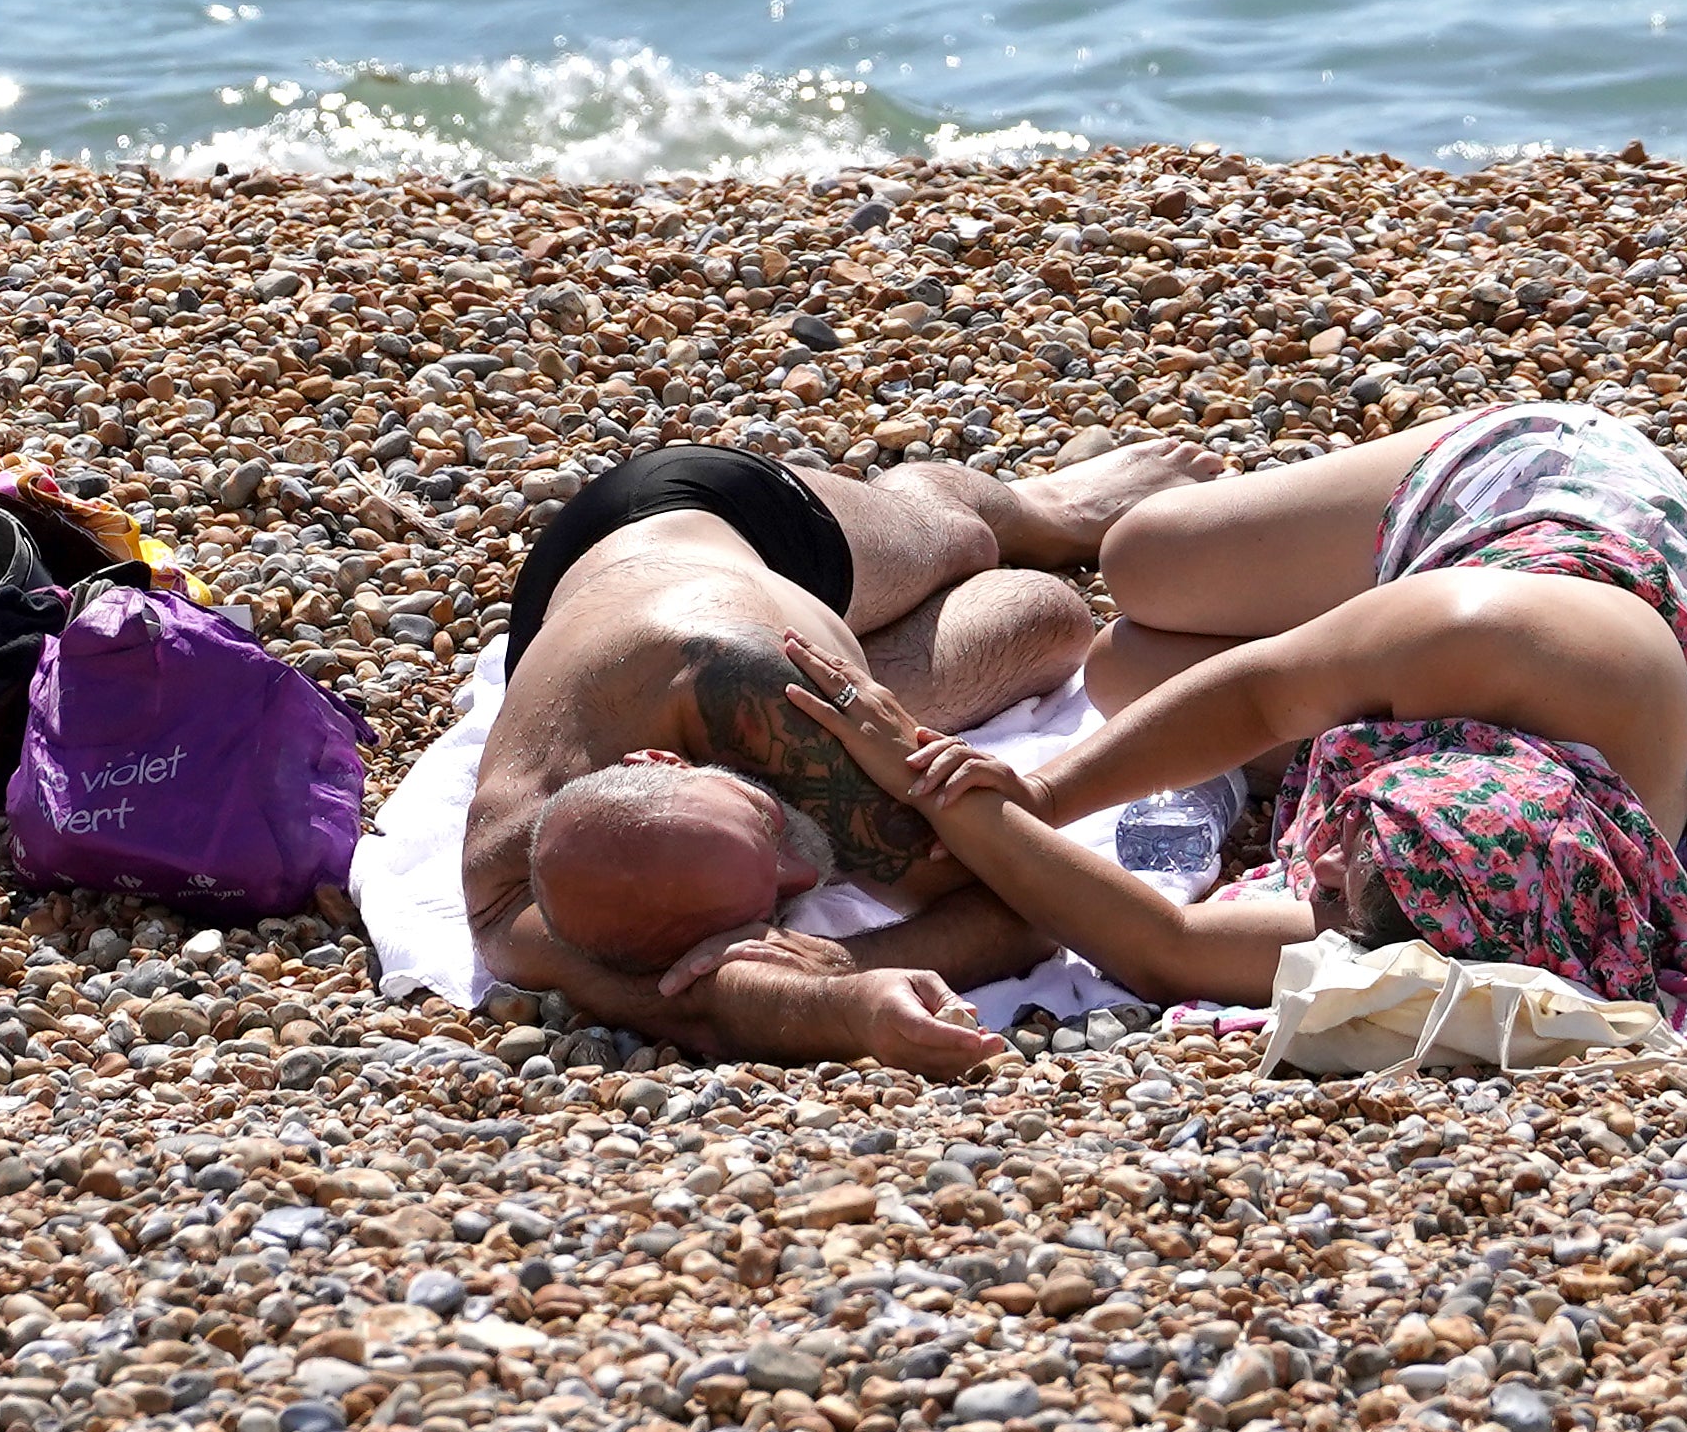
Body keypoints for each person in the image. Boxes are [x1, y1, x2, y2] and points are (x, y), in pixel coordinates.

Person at [739, 405, 1687, 1020]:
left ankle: (1324, 641)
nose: (1306, 875)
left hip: (1436, 675)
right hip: (1525, 490)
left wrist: (845, 968)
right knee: (1141, 563)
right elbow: (1258, 692)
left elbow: (1169, 949)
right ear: (1418, 776)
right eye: (1345, 870)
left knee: (1123, 669)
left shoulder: (1510, 906)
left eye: (1331, 904)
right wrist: (1041, 792)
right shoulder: (1477, 630)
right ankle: (1028, 507)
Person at [459, 435, 1205, 1073]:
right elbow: (692, 1006)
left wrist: (847, 964)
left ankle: (1036, 501)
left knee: (960, 537)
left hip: (714, 517)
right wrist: (817, 999)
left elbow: (1027, 907)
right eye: (774, 902)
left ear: (658, 762)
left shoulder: (757, 702)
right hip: (610, 617)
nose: (810, 871)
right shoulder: (505, 867)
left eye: (768, 820)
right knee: (1047, 623)